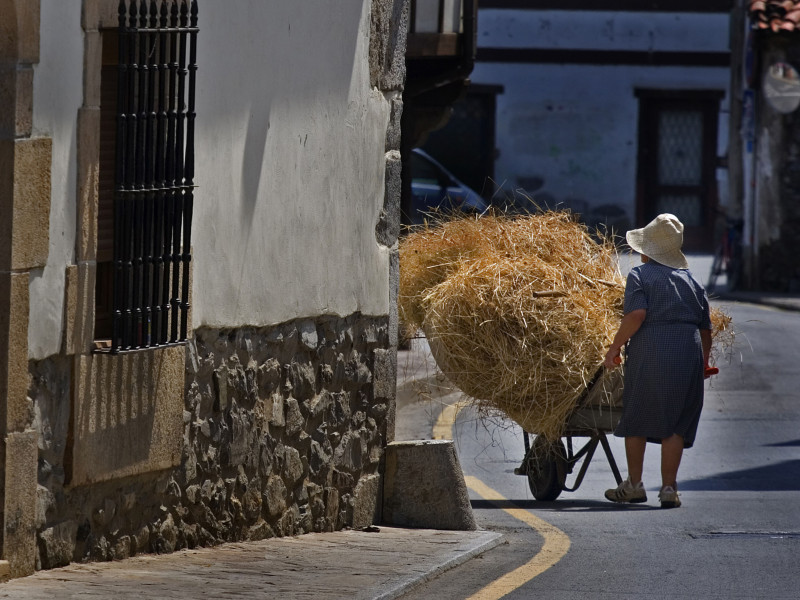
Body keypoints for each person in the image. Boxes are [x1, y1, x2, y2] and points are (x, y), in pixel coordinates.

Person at [603, 213, 712, 508]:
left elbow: (636, 315)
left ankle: (635, 485)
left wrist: (614, 347)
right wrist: (703, 363)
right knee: (676, 423)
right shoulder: (691, 281)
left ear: (646, 250)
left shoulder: (640, 276)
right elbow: (706, 329)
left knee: (637, 416)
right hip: (689, 351)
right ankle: (668, 489)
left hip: (651, 350)